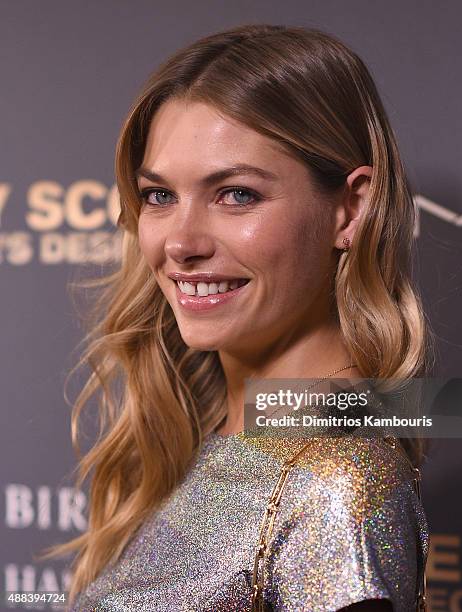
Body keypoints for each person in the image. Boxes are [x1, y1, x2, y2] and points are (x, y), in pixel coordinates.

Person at [42, 23, 433, 611]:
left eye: (237, 194)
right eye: (160, 196)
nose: (180, 243)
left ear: (351, 209)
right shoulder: (225, 435)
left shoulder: (334, 485)